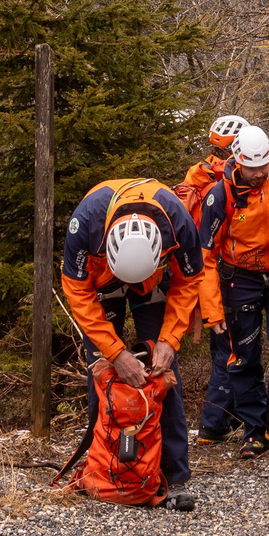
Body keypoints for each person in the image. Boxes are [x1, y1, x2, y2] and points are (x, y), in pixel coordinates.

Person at [61, 175, 206, 509]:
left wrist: (170, 339)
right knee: (102, 371)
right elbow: (77, 292)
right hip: (101, 282)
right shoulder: (84, 224)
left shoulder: (178, 220)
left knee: (163, 371)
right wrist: (115, 353)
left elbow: (190, 279)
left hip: (155, 280)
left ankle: (173, 472)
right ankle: (105, 466)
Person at [198, 124, 269, 457]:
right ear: (237, 160)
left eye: (264, 166)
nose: (259, 174)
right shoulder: (220, 196)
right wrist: (212, 311)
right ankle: (253, 431)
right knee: (243, 358)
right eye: (252, 168)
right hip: (238, 279)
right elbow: (205, 257)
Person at [182, 114, 248, 446]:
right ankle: (212, 423)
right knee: (230, 347)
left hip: (202, 275)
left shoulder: (199, 175)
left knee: (222, 346)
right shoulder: (224, 184)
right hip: (223, 273)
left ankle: (227, 416)